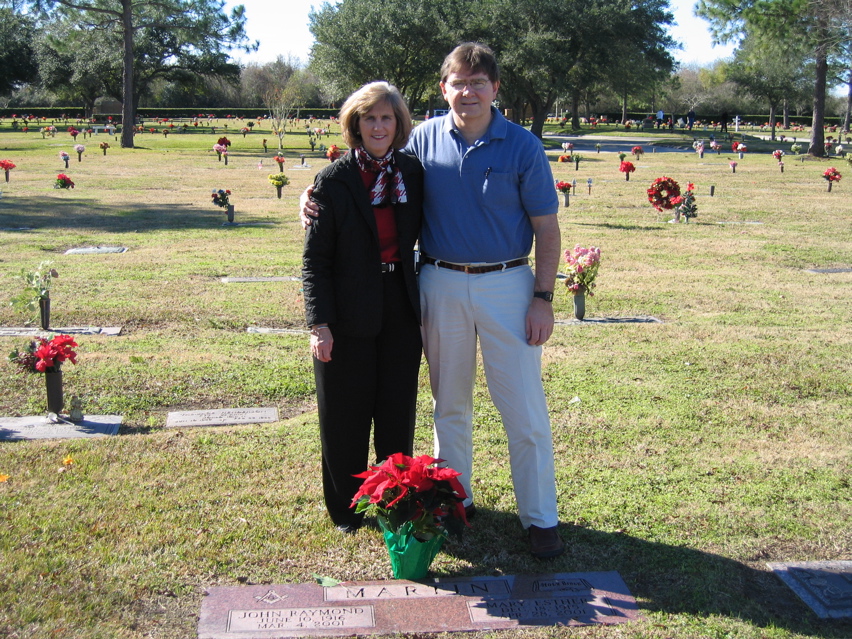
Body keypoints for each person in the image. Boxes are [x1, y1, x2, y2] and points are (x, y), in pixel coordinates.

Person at [302, 43, 564, 558]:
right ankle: (454, 503)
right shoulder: (421, 140)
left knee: (523, 408)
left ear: (495, 89)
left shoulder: (522, 146)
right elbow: (361, 173)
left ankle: (540, 518)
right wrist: (307, 199)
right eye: (458, 83)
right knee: (450, 405)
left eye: (478, 82)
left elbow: (547, 228)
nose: (468, 92)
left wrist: (543, 297)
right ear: (443, 89)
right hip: (439, 283)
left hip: (507, 282)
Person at [302, 81, 424, 534]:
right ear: (355, 124)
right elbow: (315, 260)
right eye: (369, 118)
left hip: (400, 306)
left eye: (386, 118)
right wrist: (320, 325)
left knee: (396, 410)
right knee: (344, 416)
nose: (378, 126)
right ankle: (347, 510)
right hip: (347, 310)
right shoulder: (333, 181)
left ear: (398, 124)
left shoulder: (412, 172)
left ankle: (395, 496)